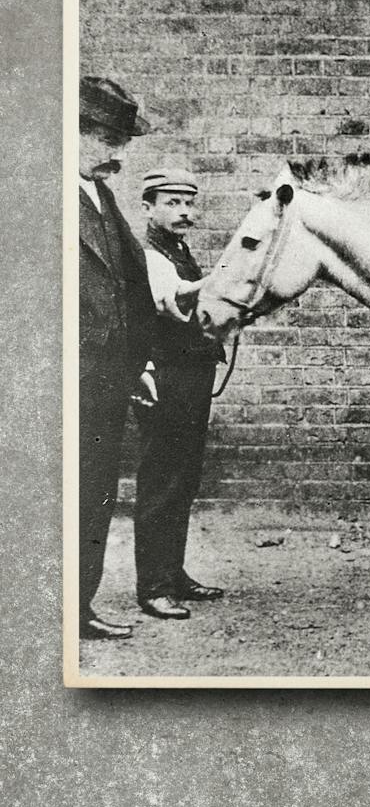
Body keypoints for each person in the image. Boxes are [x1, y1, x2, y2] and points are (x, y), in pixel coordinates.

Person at [78, 76, 157, 642]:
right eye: (108, 140)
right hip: (62, 380)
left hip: (105, 380)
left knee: (96, 493)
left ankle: (76, 607)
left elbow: (132, 284)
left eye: (121, 143)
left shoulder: (101, 197)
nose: (117, 156)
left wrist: (142, 363)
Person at [135, 167, 226, 620]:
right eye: (172, 203)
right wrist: (228, 279)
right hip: (168, 377)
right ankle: (152, 586)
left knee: (184, 479)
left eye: (188, 203)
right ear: (148, 208)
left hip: (192, 376)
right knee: (162, 481)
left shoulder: (177, 248)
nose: (184, 212)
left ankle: (173, 574)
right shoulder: (151, 254)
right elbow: (174, 302)